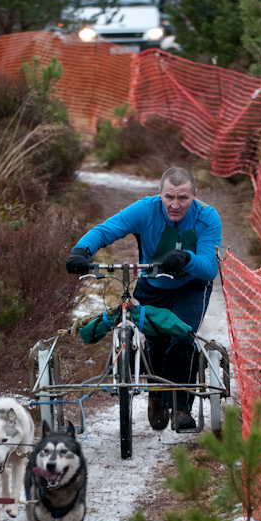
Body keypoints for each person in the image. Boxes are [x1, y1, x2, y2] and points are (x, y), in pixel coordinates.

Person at [65, 166, 221, 432]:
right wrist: (82, 250)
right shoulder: (144, 210)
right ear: (159, 193)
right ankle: (158, 397)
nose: (175, 204)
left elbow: (209, 267)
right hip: (152, 286)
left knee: (182, 339)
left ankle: (181, 407)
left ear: (195, 195)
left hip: (190, 288)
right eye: (169, 196)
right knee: (157, 343)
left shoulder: (206, 217)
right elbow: (107, 230)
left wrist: (186, 259)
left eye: (183, 197)